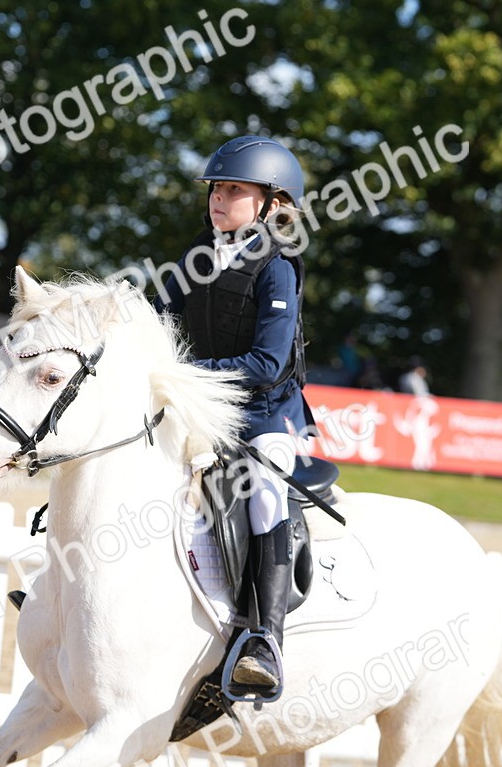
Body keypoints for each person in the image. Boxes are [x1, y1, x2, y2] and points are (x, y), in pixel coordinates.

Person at [155, 135, 312, 696]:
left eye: (234, 190)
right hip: (197, 411)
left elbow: (268, 363)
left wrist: (188, 377)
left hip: (262, 416)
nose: (218, 199)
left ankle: (264, 640)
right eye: (217, 189)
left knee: (265, 491)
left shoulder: (278, 269)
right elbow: (159, 329)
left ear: (272, 203)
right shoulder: (195, 255)